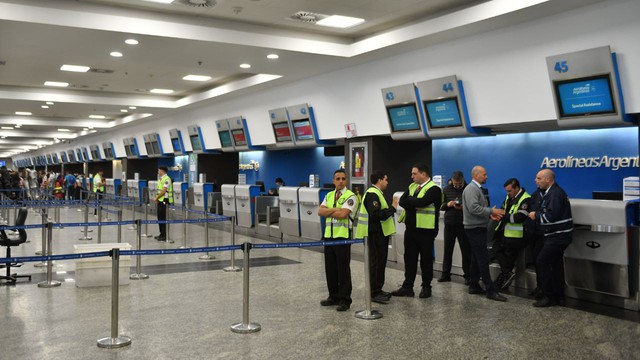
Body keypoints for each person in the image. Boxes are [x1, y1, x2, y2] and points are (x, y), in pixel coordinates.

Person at [391, 163, 442, 299]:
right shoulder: (412, 186)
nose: (411, 176)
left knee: (425, 259)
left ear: (423, 174)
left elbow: (423, 202)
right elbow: (402, 201)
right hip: (411, 229)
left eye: (414, 173)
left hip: (426, 231)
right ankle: (407, 287)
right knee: (409, 258)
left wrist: (414, 202)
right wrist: (416, 203)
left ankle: (426, 286)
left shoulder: (434, 189)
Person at [528, 169, 573, 307]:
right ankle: (559, 296)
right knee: (556, 264)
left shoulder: (555, 194)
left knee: (541, 261)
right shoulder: (551, 193)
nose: (536, 180)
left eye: (539, 178)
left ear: (548, 180)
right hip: (557, 236)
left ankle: (548, 296)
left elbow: (551, 216)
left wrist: (535, 216)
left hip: (557, 237)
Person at [462, 165, 507, 302]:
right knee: (482, 258)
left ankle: (474, 285)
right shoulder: (471, 189)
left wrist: (488, 216)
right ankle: (490, 290)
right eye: (484, 174)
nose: (486, 176)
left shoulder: (476, 189)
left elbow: (477, 209)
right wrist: (491, 212)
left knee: (476, 257)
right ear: (476, 175)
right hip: (474, 228)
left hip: (478, 226)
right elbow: (473, 208)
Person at [317, 169, 358, 312]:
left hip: (342, 237)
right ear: (333, 180)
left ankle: (345, 299)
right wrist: (335, 209)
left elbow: (343, 215)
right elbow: (319, 212)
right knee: (330, 268)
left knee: (343, 269)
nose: (340, 181)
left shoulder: (351, 196)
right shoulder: (329, 195)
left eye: (343, 179)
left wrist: (330, 210)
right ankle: (333, 296)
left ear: (346, 181)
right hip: (329, 237)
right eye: (338, 178)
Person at [355, 170, 398, 304]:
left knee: (380, 262)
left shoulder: (377, 193)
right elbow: (376, 215)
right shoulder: (373, 195)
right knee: (376, 263)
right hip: (374, 235)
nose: (387, 182)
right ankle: (374, 292)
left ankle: (378, 289)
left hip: (380, 234)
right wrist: (392, 208)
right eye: (386, 179)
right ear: (379, 180)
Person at [491, 178, 531, 291]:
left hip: (515, 236)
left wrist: (504, 216)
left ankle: (501, 283)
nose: (508, 193)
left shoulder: (526, 199)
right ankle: (507, 275)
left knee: (508, 261)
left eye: (510, 191)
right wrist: (500, 214)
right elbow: (503, 209)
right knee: (495, 249)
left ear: (517, 188)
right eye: (507, 191)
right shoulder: (509, 197)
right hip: (503, 233)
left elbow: (519, 217)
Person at [438, 171, 471, 284]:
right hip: (449, 224)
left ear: (463, 180)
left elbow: (472, 206)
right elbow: (440, 206)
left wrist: (463, 208)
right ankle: (445, 274)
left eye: (459, 183)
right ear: (451, 180)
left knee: (466, 251)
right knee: (447, 250)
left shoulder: (468, 189)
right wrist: (448, 204)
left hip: (463, 224)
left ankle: (468, 276)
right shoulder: (446, 189)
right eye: (455, 183)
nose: (457, 185)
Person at [153, 166, 173, 241]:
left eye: (159, 170)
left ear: (162, 171)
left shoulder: (167, 179)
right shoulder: (161, 179)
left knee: (163, 217)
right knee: (160, 217)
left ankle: (164, 235)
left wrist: (156, 198)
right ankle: (161, 233)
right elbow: (159, 190)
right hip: (160, 200)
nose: (158, 172)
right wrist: (157, 198)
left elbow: (163, 191)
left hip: (165, 201)